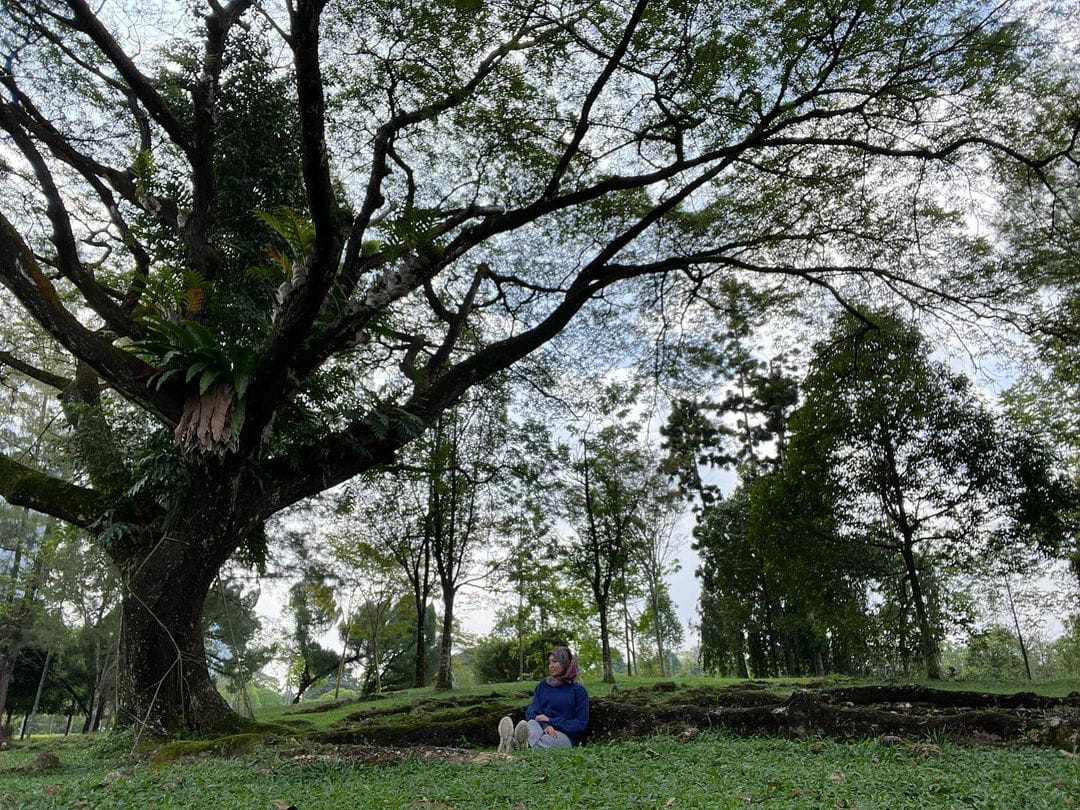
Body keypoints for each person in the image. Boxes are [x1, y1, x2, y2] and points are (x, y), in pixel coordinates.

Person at [497, 645, 589, 751]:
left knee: (543, 741)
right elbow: (532, 711)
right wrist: (545, 725)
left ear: (566, 663)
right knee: (531, 724)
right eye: (549, 662)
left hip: (564, 734)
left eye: (555, 661)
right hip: (540, 727)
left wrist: (551, 721)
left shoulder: (578, 691)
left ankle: (512, 746)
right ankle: (520, 745)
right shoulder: (543, 686)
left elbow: (580, 724)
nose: (551, 666)